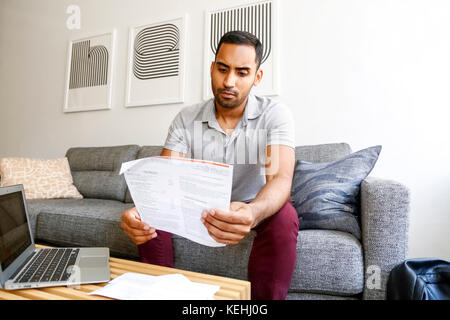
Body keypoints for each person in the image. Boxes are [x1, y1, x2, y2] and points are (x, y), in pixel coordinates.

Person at [120, 31, 299, 300]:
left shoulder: (274, 115)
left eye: (242, 72)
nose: (229, 81)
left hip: (251, 205)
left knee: (285, 216)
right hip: (197, 206)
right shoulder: (186, 118)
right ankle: (159, 295)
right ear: (212, 69)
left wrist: (252, 212)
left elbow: (280, 179)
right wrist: (144, 208)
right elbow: (166, 180)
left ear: (257, 77)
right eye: (223, 69)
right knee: (151, 213)